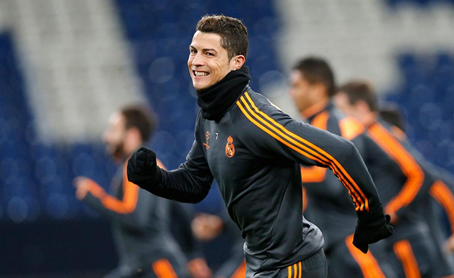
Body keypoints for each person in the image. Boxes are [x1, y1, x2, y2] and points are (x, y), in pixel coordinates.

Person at [126, 15, 393, 277]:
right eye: (193, 51)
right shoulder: (209, 116)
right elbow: (195, 183)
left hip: (293, 264)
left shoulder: (256, 117)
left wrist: (370, 217)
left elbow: (342, 151)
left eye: (209, 53)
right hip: (261, 264)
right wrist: (153, 178)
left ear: (236, 62)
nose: (196, 61)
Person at [335, 81, 454, 278]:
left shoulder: (376, 132)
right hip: (398, 241)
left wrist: (391, 211)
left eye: (342, 110)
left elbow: (426, 176)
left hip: (407, 239)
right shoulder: (365, 138)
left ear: (360, 107)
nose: (338, 118)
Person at [74, 105, 211, 278]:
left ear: (132, 134)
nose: (107, 137)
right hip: (140, 267)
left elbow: (134, 216)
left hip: (157, 267)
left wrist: (94, 196)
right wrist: (194, 256)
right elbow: (182, 211)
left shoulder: (137, 167)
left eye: (114, 129)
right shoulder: (147, 167)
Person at [289, 57, 394, 278]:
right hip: (334, 241)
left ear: (318, 89)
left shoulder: (328, 122)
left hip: (351, 240)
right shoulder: (317, 123)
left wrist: (281, 170)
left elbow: (328, 181)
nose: (292, 93)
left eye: (297, 86)